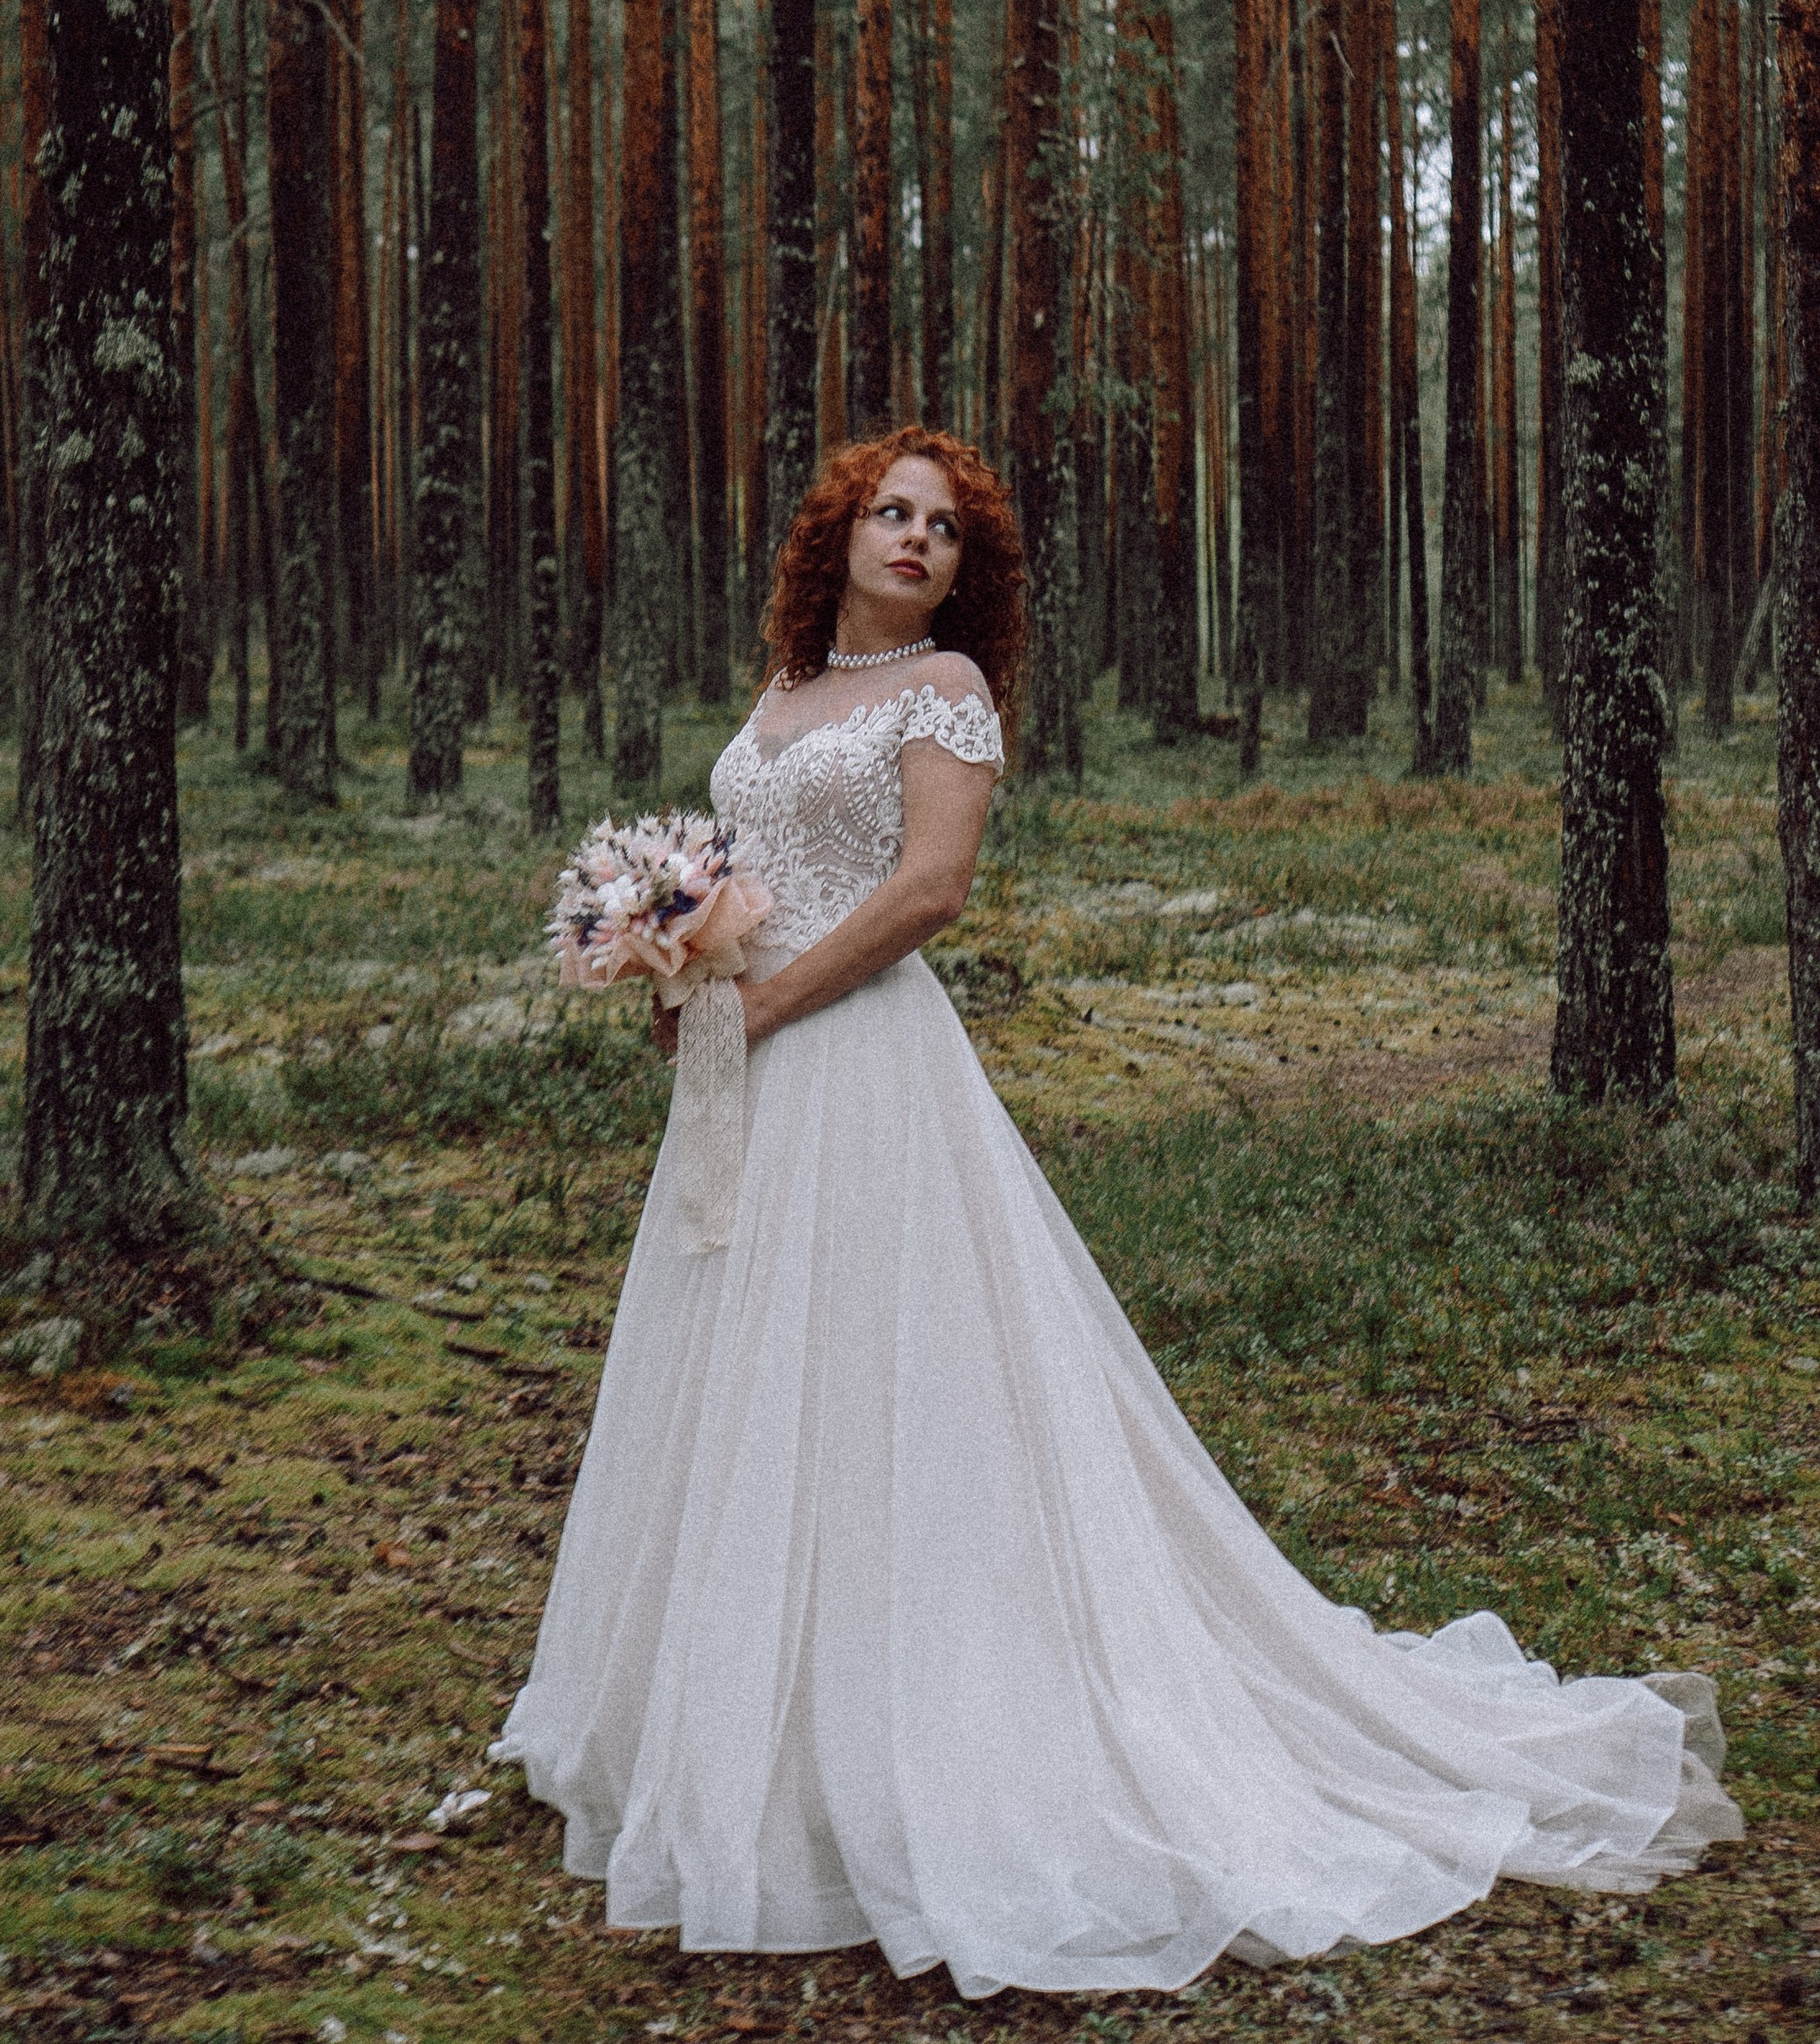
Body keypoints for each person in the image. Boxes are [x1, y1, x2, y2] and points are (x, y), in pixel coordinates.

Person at [494, 429, 1740, 2002]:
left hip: (863, 1063)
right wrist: (673, 952)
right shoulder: (783, 698)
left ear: (967, 571)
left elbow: (929, 892)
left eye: (943, 531)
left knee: (891, 1377)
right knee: (742, 1361)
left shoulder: (944, 696)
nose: (913, 543)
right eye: (889, 515)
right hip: (746, 1079)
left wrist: (770, 999)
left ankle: (925, 1734)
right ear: (838, 535)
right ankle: (751, 1725)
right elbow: (748, 858)